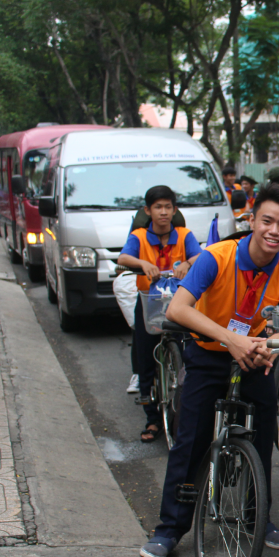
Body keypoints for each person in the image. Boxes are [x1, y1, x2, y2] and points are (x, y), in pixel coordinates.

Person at [138, 183, 279, 557]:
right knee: (190, 440)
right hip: (208, 353)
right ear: (252, 220)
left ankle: (256, 517)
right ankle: (169, 528)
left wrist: (269, 343)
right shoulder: (216, 257)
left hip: (253, 356)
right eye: (267, 221)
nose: (274, 231)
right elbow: (178, 309)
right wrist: (230, 339)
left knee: (263, 433)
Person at [117, 186, 202, 443]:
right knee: (145, 358)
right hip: (149, 303)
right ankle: (152, 419)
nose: (163, 212)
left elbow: (200, 255)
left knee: (189, 353)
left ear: (174, 210)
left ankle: (186, 411)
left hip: (179, 303)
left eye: (167, 207)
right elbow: (123, 258)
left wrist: (187, 263)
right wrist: (142, 263)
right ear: (148, 210)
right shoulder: (139, 236)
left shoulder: (184, 235)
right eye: (157, 207)